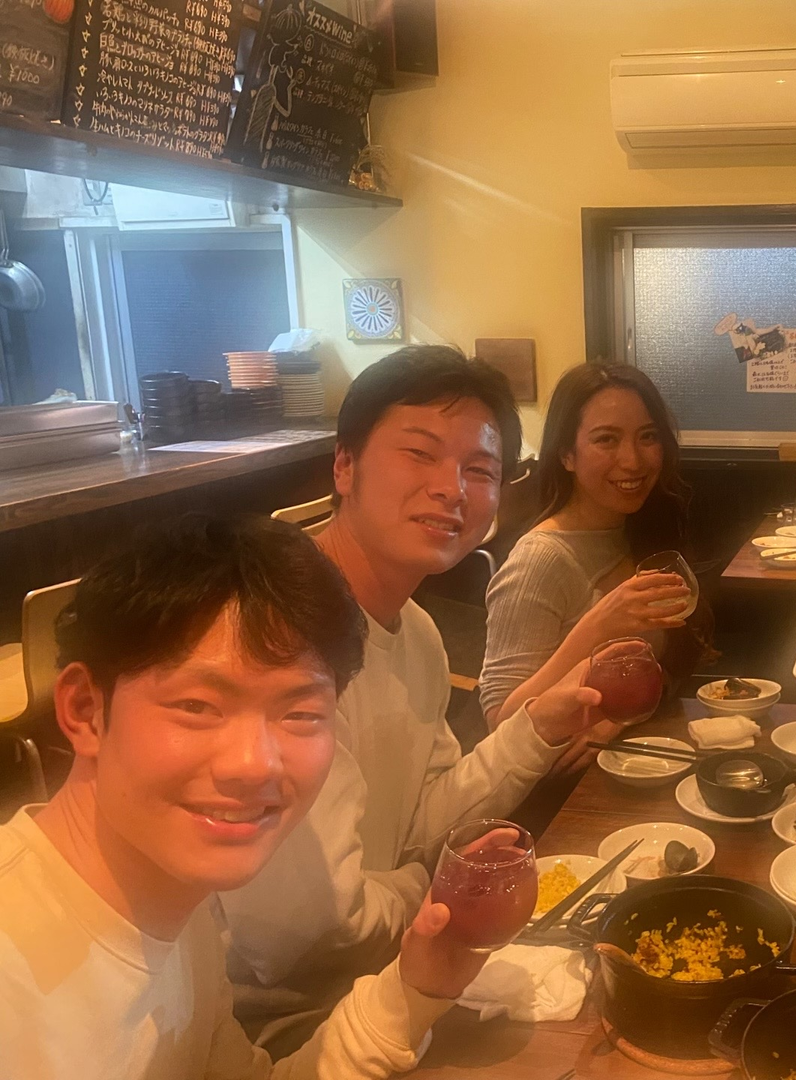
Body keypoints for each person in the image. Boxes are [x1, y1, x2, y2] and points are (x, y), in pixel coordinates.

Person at [0, 514, 492, 1078]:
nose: (255, 764)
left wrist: (414, 990)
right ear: (86, 710)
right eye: (197, 707)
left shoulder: (183, 912)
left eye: (300, 713)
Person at [218, 346, 604, 1052]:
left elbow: (426, 819)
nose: (451, 488)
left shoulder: (418, 633)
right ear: (344, 466)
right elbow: (301, 937)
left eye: (480, 470)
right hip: (258, 1028)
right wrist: (426, 882)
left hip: (374, 974)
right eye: (420, 454)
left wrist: (537, 729)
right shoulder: (276, 641)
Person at [479, 362, 706, 773]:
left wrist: (617, 719)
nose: (632, 460)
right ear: (566, 454)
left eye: (648, 436)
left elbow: (674, 655)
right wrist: (596, 627)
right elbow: (500, 727)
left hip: (634, 756)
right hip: (563, 788)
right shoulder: (540, 560)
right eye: (606, 440)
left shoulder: (639, 528)